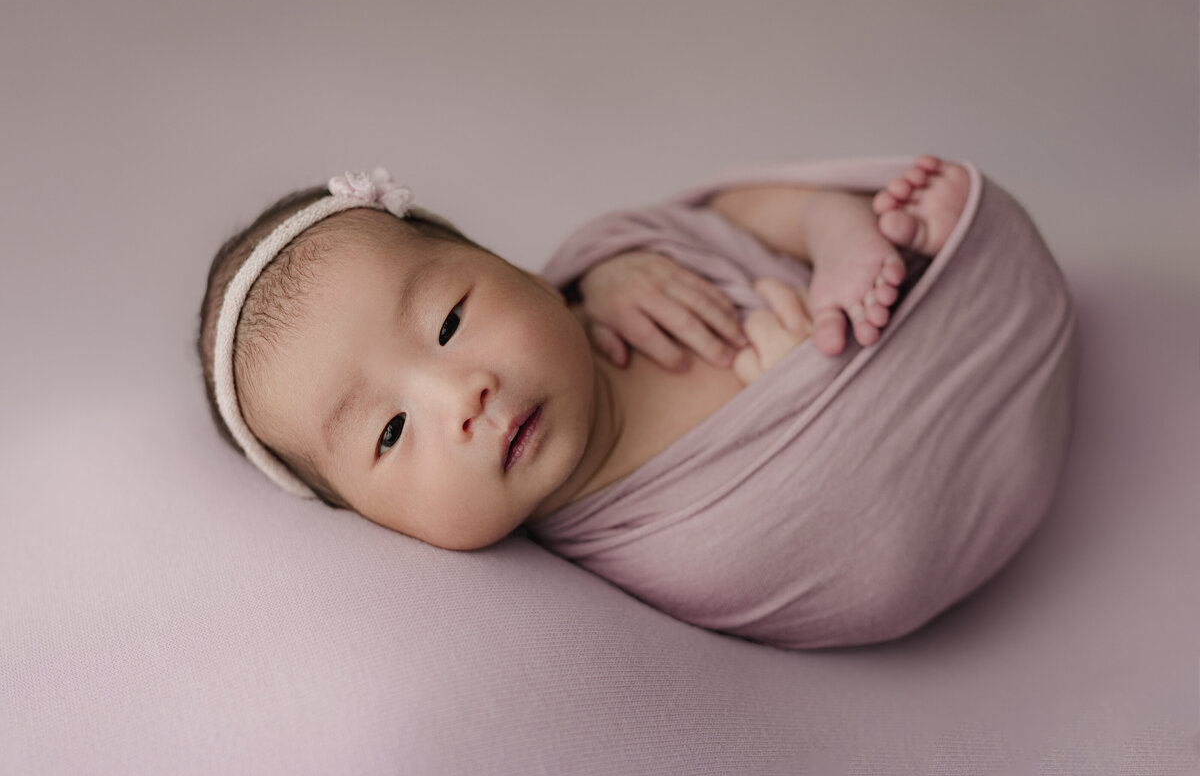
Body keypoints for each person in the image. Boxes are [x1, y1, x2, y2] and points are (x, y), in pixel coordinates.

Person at [197, 156, 966, 553]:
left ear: (517, 267)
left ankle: (832, 222)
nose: (462, 395)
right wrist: (803, 408)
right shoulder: (642, 542)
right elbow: (841, 561)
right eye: (391, 432)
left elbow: (679, 229)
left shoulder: (599, 291)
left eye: (450, 320)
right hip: (901, 433)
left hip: (801, 279)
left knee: (704, 219)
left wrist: (608, 271)